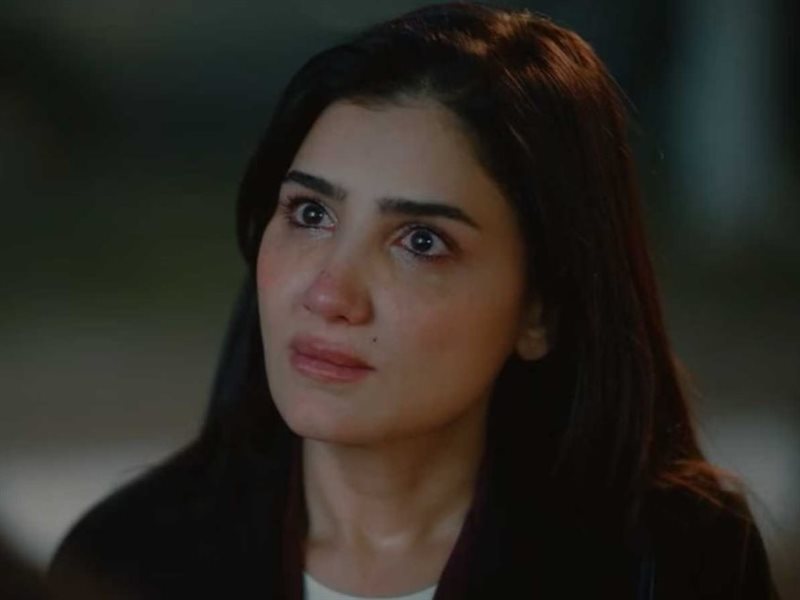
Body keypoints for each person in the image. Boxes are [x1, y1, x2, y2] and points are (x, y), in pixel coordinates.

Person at [47, 3, 779, 599]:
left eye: (421, 241)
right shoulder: (122, 564)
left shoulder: (672, 562)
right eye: (310, 213)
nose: (329, 293)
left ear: (542, 311)